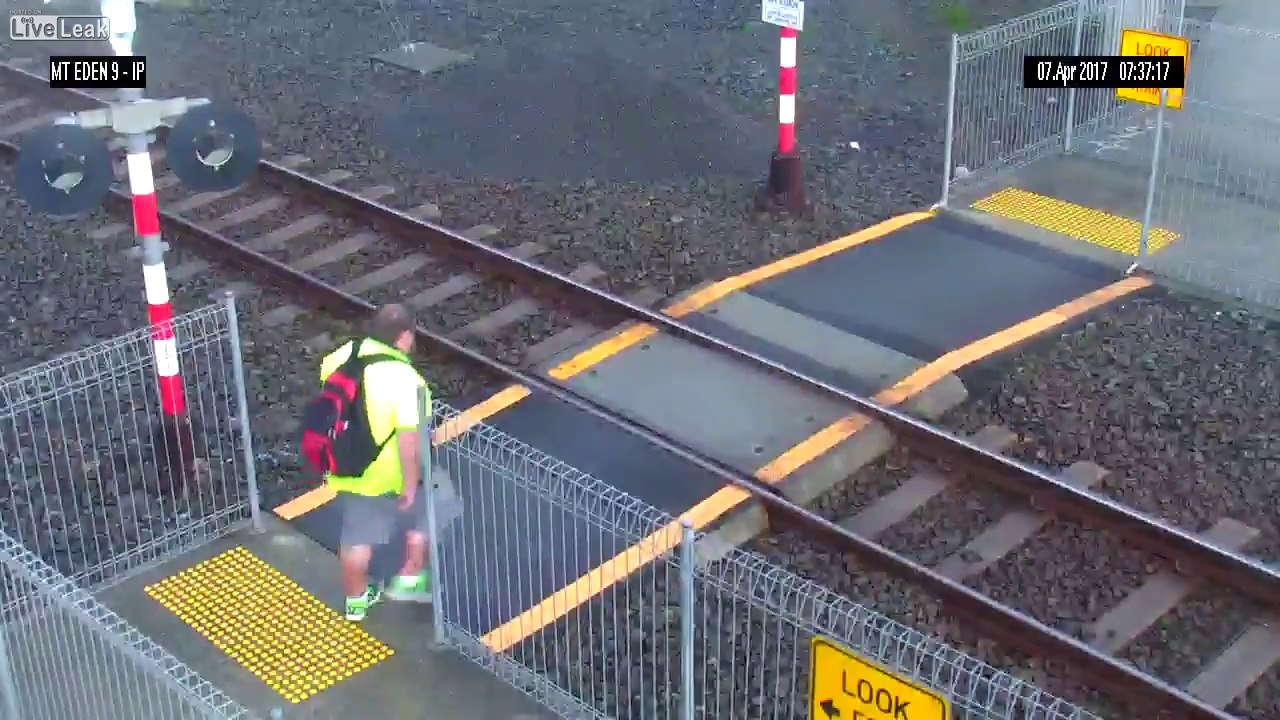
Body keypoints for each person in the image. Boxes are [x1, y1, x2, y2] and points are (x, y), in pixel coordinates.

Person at [318, 303, 433, 621]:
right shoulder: (408, 381)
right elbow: (408, 441)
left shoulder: (342, 356)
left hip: (344, 461)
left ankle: (356, 601)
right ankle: (410, 578)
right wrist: (410, 485)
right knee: (427, 512)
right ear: (404, 337)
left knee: (356, 534)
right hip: (385, 472)